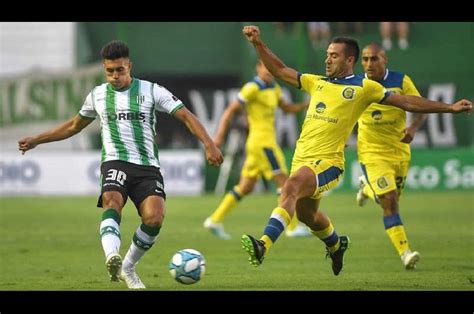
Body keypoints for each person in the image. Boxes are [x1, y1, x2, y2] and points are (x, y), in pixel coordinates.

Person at [240, 25, 472, 276]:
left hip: (329, 163)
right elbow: (279, 70)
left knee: (290, 186)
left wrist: (449, 107)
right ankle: (337, 245)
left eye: (334, 55)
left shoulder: (365, 87)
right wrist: (257, 43)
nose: (327, 59)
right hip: (302, 159)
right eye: (327, 54)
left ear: (350, 60)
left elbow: (406, 101)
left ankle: (263, 244)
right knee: (309, 216)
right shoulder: (316, 83)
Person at [17, 40, 223, 289]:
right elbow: (73, 126)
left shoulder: (151, 90)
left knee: (154, 219)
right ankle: (111, 256)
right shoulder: (98, 95)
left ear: (129, 66)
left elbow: (186, 116)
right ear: (105, 69)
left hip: (147, 167)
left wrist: (209, 144)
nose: (115, 76)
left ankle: (127, 267)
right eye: (110, 71)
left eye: (120, 70)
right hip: (115, 161)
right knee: (112, 201)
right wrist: (37, 140)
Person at [203, 60, 310, 240]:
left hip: (259, 144)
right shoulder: (252, 88)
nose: (268, 71)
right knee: (285, 183)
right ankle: (291, 228)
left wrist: (305, 105)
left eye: (271, 69)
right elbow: (230, 111)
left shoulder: (274, 88)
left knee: (245, 187)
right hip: (263, 144)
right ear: (258, 68)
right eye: (265, 68)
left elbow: (286, 108)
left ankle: (214, 220)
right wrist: (219, 137)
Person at [356, 43, 426, 269]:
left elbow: (420, 106)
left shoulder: (401, 81)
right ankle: (405, 253)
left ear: (384, 59)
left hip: (399, 152)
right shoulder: (358, 84)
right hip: (371, 152)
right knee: (390, 201)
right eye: (365, 59)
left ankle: (366, 188)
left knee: (386, 198)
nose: (368, 64)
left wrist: (413, 128)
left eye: (373, 59)